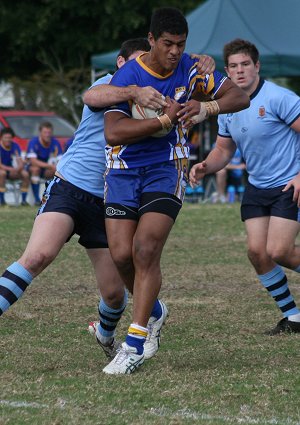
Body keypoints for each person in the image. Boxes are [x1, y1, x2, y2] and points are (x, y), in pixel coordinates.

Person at [0, 38, 215, 362]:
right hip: (71, 187)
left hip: (112, 198)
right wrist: (132, 92)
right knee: (37, 256)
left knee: (115, 295)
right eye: (133, 63)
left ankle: (107, 333)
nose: (140, 71)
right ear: (120, 64)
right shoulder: (112, 85)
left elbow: (189, 81)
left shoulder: (157, 85)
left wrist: (202, 61)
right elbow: (90, 96)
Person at [97, 7, 249, 375]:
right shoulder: (129, 75)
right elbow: (113, 133)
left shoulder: (193, 68)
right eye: (168, 44)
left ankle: (134, 343)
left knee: (145, 249)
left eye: (181, 45)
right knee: (120, 256)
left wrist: (206, 106)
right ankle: (155, 310)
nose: (175, 52)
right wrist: (164, 119)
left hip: (167, 166)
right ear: (151, 40)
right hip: (122, 171)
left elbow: (238, 97)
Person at [189, 38, 300, 335]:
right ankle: (293, 317)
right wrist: (205, 166)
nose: (240, 71)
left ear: (257, 66)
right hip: (257, 187)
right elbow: (224, 151)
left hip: (288, 185)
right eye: (234, 66)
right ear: (227, 70)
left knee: (279, 250)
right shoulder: (229, 106)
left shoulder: (279, 98)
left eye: (245, 65)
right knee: (257, 253)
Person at [27, 121, 63, 205]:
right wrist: (50, 166)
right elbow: (33, 161)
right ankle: (36, 199)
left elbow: (60, 159)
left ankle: (46, 199)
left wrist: (55, 167)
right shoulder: (34, 142)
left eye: (49, 132)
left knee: (57, 173)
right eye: (45, 132)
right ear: (40, 133)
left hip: (47, 169)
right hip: (32, 168)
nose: (47, 135)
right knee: (35, 169)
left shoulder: (55, 142)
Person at [0, 127, 30, 206]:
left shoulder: (15, 146)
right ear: (1, 137)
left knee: (25, 174)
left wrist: (18, 168)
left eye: (9, 138)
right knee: (2, 173)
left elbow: (19, 160)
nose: (8, 140)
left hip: (13, 170)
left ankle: (24, 201)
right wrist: (11, 169)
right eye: (5, 137)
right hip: (3, 169)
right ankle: (2, 201)